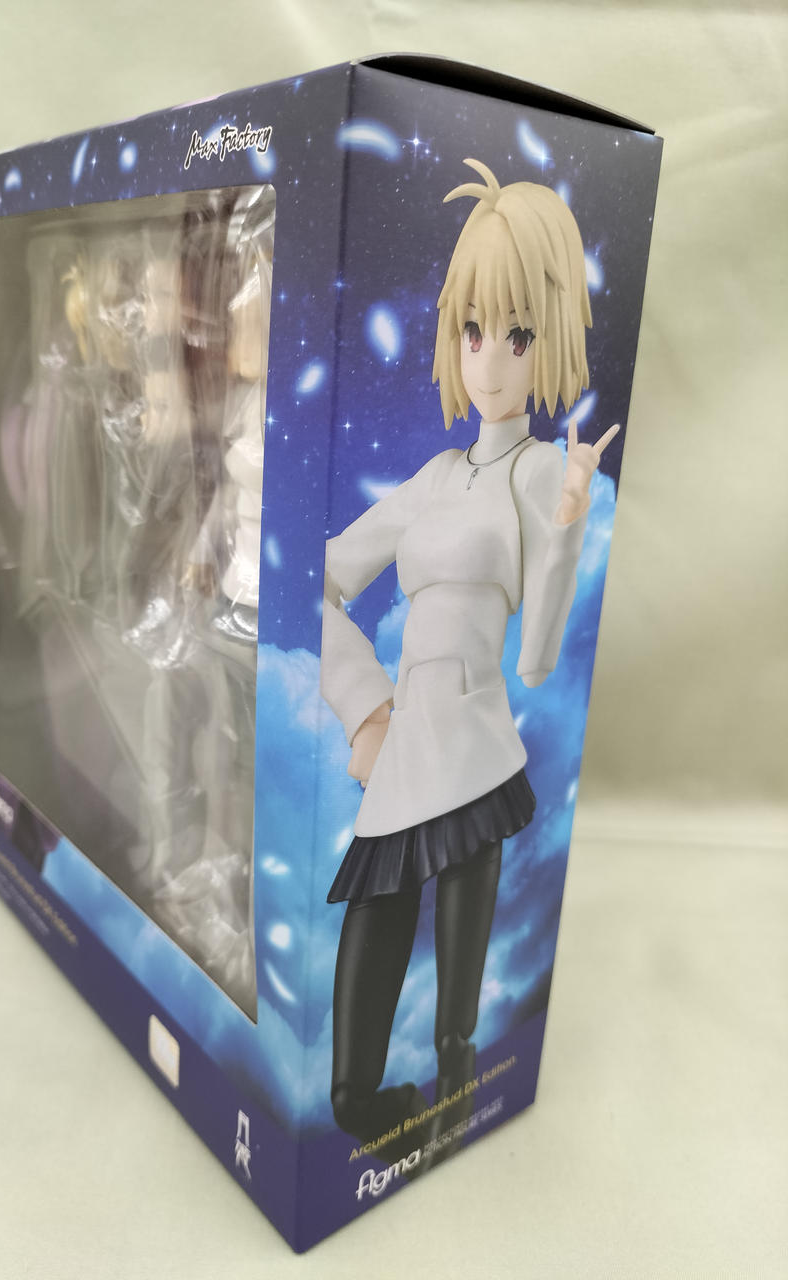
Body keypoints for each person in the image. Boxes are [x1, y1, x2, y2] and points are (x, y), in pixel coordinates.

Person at [320, 159, 618, 1163]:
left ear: (551, 339)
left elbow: (535, 659)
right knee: (350, 1093)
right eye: (475, 330)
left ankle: (455, 1136)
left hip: (479, 759)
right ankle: (400, 1132)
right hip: (404, 754)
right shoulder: (434, 476)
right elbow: (323, 582)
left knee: (458, 1043)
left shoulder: (538, 473)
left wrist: (567, 523)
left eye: (518, 334)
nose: (490, 360)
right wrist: (365, 707)